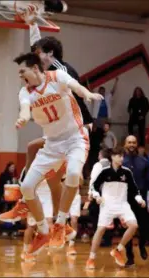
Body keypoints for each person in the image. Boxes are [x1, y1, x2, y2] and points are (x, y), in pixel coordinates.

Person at [0, 52, 103, 255]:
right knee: (27, 187)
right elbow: (25, 110)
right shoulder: (25, 92)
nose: (21, 76)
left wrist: (88, 94)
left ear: (35, 69)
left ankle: (61, 224)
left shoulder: (57, 77)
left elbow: (77, 88)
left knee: (73, 174)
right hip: (52, 144)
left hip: (75, 137)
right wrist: (22, 119)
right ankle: (44, 231)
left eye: (23, 71)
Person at [18, 7, 93, 216]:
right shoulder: (49, 67)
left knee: (39, 154)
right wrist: (32, 24)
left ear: (49, 55)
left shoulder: (61, 71)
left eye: (39, 53)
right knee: (49, 173)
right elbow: (37, 48)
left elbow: (79, 96)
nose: (34, 57)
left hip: (78, 128)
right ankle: (59, 222)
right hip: (61, 128)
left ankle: (52, 210)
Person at [86, 147, 145, 269]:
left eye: (122, 156)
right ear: (112, 157)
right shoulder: (105, 171)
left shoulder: (127, 172)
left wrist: (140, 199)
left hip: (123, 204)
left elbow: (134, 190)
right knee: (100, 230)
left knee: (133, 225)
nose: (121, 158)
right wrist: (97, 196)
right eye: (119, 156)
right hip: (107, 204)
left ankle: (118, 249)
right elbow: (94, 187)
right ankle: (91, 258)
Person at [123, 135, 149, 267]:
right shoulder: (121, 162)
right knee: (128, 229)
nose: (131, 144)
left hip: (141, 199)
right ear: (125, 144)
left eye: (134, 142)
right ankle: (129, 257)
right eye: (129, 142)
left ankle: (142, 245)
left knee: (145, 227)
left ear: (136, 144)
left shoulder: (144, 162)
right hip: (125, 201)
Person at [21, 179, 53, 262]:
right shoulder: (29, 168)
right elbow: (24, 185)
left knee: (49, 225)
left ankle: (45, 247)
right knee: (31, 227)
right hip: (34, 198)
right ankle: (25, 250)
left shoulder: (54, 167)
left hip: (47, 199)